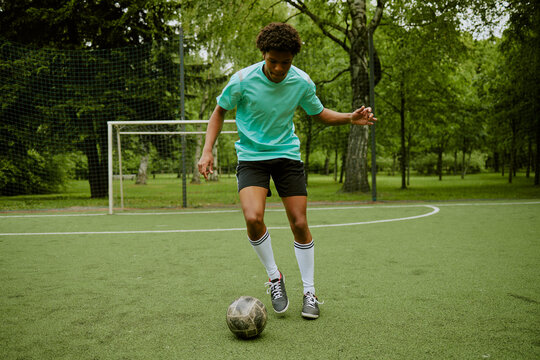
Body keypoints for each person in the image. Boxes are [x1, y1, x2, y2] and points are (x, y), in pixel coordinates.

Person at [198, 22, 376, 319]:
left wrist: (349, 117)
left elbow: (318, 113)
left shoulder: (301, 82)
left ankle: (310, 292)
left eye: (286, 62)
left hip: (287, 156)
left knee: (298, 221)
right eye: (273, 61)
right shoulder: (242, 80)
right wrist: (207, 151)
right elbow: (219, 111)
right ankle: (275, 277)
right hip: (252, 157)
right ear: (263, 54)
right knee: (253, 217)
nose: (279, 68)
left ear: (292, 59)